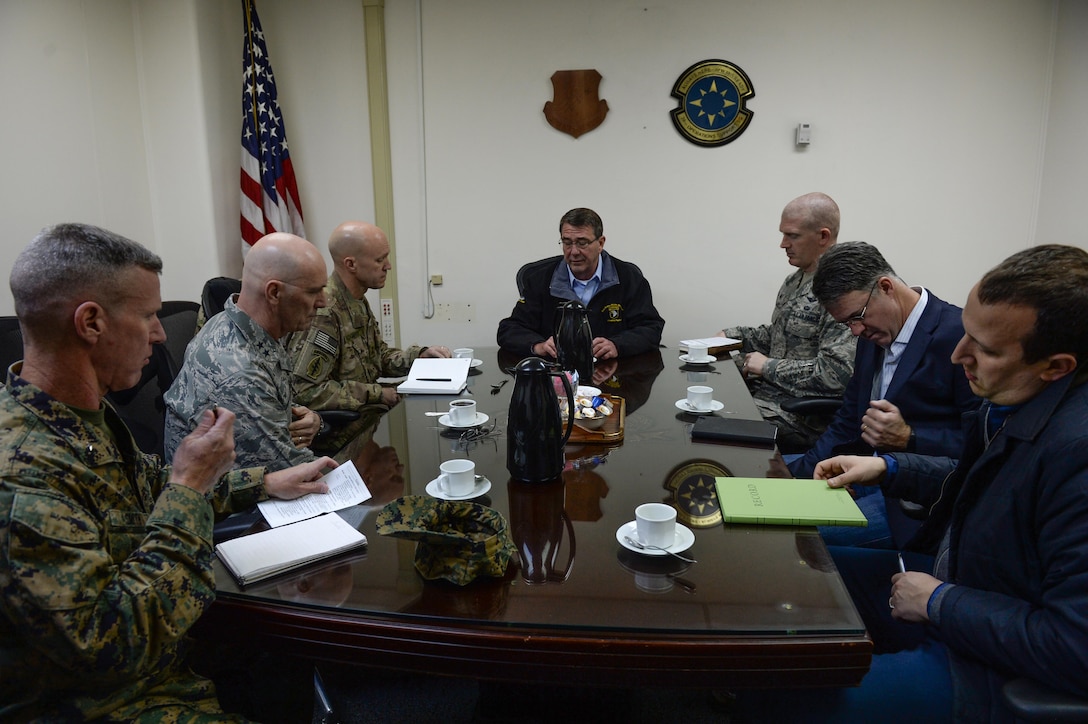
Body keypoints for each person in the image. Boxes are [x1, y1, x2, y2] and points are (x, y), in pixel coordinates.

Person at [735, 244, 1088, 722]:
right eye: (965, 334)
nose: (959, 354)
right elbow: (977, 480)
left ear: (1057, 366)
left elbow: (1074, 647)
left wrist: (940, 601)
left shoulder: (1075, 454)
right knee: (796, 573)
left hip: (987, 664)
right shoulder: (1012, 402)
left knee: (788, 698)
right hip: (955, 580)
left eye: (982, 348)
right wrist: (890, 469)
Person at [0, 223, 336, 721]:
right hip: (112, 699)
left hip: (167, 655)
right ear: (91, 323)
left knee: (285, 667)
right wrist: (189, 488)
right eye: (149, 316)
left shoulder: (81, 413)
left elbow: (146, 487)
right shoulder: (22, 472)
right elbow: (111, 645)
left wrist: (262, 483)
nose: (161, 335)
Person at [789, 242, 978, 548]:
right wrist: (795, 474)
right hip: (860, 471)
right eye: (846, 323)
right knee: (763, 484)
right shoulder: (871, 332)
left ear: (886, 287)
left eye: (857, 317)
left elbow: (984, 445)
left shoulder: (957, 336)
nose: (855, 331)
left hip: (912, 501)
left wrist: (911, 437)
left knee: (799, 537)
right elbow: (849, 419)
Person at [165, 232, 328, 470]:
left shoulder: (240, 323)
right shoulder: (239, 372)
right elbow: (294, 472)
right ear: (274, 293)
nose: (323, 302)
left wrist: (312, 421)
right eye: (314, 291)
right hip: (222, 500)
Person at [288, 221, 451, 452]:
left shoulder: (356, 300)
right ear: (351, 264)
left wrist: (419, 356)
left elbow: (378, 357)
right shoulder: (325, 311)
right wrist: (377, 394)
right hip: (345, 430)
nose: (388, 266)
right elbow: (305, 391)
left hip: (367, 415)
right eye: (379, 260)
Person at [717, 192, 857, 450]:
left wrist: (767, 366)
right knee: (700, 398)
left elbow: (835, 375)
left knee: (711, 423)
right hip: (766, 397)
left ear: (823, 237)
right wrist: (732, 336)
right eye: (783, 235)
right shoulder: (795, 281)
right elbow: (779, 335)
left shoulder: (843, 291)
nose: (783, 244)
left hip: (802, 416)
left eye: (792, 236)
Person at [496, 207, 664, 360]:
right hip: (556, 377)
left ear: (600, 243)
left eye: (582, 243)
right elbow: (509, 330)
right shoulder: (540, 280)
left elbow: (651, 328)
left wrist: (617, 345)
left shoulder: (629, 278)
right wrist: (538, 346)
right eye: (567, 242)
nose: (574, 251)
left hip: (613, 376)